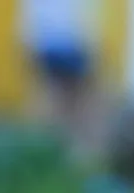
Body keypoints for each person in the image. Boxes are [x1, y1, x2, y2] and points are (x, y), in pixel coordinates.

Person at [20, 0, 106, 168]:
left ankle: (45, 156)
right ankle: (80, 161)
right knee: (83, 108)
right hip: (72, 41)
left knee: (52, 103)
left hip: (44, 41)